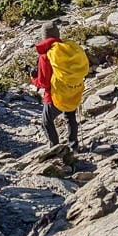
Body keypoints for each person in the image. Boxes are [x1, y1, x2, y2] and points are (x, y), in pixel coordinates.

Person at [30, 21, 88, 152]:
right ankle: (74, 146)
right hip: (73, 90)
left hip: (55, 95)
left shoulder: (46, 56)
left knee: (46, 121)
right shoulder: (67, 50)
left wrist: (33, 78)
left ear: (44, 37)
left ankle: (56, 150)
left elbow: (44, 82)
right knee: (70, 117)